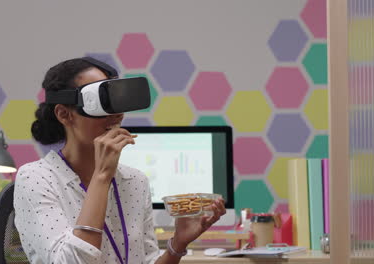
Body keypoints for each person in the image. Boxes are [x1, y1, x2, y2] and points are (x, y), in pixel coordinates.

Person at [13, 57, 226, 264]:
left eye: (116, 101)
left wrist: (177, 245)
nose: (117, 115)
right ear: (64, 114)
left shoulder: (135, 181)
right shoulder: (35, 179)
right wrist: (102, 176)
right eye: (101, 102)